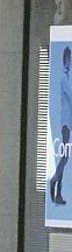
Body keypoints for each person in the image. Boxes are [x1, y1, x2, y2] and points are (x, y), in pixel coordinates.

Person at [50, 46, 72, 204]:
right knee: (65, 156)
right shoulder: (64, 79)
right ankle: (53, 181)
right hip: (66, 122)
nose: (69, 63)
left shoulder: (68, 78)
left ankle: (58, 193)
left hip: (69, 121)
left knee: (65, 156)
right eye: (68, 60)